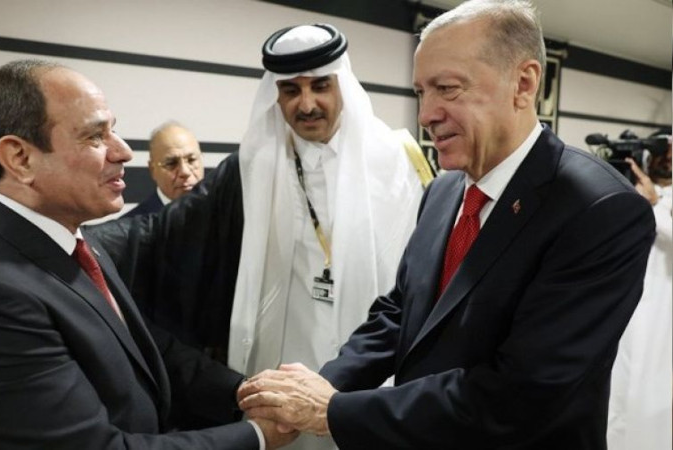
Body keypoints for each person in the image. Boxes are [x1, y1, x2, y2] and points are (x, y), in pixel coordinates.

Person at [237, 1, 656, 449]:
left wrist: (331, 410)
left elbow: (523, 393)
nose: (426, 115)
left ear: (524, 83)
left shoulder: (600, 209)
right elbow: (402, 312)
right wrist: (323, 384)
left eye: (448, 89)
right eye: (422, 92)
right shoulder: (444, 190)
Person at [0, 59, 294, 449]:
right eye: (95, 136)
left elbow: (136, 349)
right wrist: (258, 436)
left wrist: (246, 392)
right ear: (20, 158)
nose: (123, 152)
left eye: (113, 130)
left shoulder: (70, 242)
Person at [88, 22, 425, 381]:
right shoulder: (252, 169)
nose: (306, 104)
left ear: (342, 84)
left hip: (374, 363)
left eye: (320, 86)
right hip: (284, 365)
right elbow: (159, 231)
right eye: (291, 90)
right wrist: (76, 243)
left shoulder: (397, 162)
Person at [608, 130, 672, 450]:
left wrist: (655, 204)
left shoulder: (659, 199)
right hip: (624, 306)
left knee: (652, 396)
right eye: (662, 151)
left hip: (662, 313)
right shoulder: (630, 190)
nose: (667, 158)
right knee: (617, 392)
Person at [123, 121, 205, 217]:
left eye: (191, 160)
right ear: (152, 169)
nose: (185, 172)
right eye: (171, 163)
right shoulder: (131, 224)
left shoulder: (219, 213)